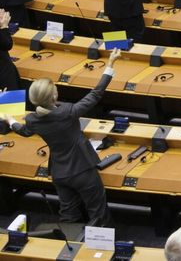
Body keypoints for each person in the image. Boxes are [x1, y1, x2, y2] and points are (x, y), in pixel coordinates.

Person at [7, 49, 122, 227]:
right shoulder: (67, 112)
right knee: (97, 212)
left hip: (59, 173)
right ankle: (101, 248)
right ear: (54, 96)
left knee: (68, 213)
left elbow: (23, 131)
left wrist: (9, 119)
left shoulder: (33, 119)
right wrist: (110, 65)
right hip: (83, 170)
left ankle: (68, 248)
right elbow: (96, 94)